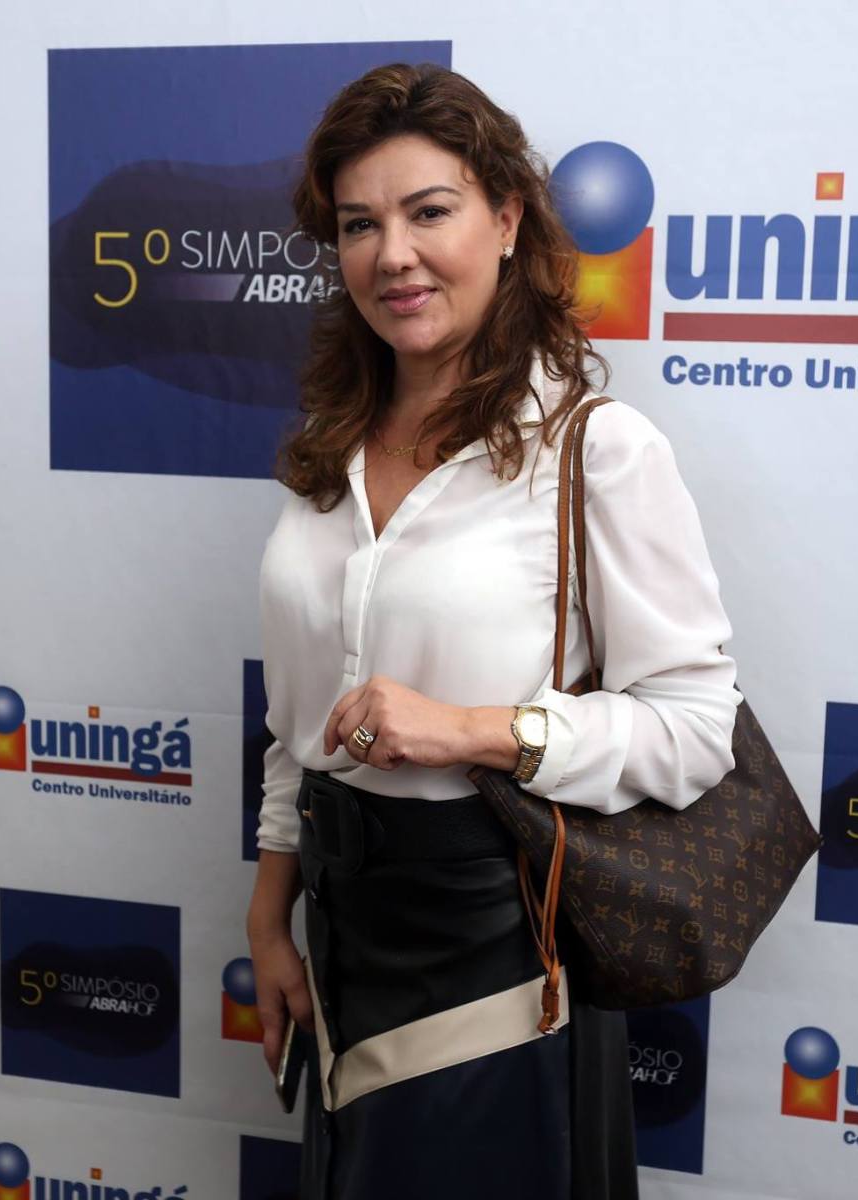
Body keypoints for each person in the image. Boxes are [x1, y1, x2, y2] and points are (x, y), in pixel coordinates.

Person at [244, 62, 741, 1200]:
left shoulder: (596, 450)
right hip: (340, 940)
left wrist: (473, 730)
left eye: (430, 212)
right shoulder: (330, 448)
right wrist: (271, 917)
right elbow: (293, 727)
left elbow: (696, 728)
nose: (393, 255)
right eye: (360, 225)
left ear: (508, 220)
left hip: (502, 952)